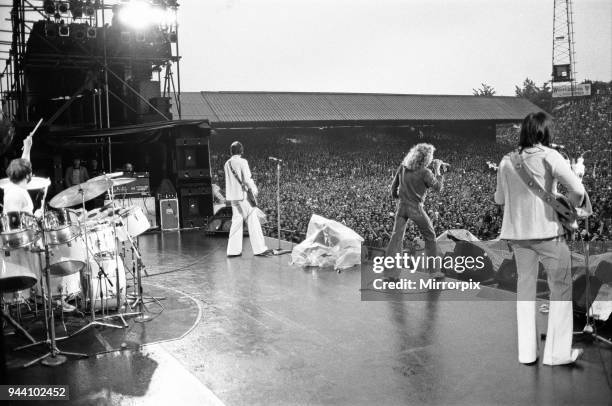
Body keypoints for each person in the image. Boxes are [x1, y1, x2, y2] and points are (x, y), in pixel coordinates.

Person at [494, 112, 586, 366]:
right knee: (561, 288)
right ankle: (557, 354)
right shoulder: (550, 156)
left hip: (518, 237)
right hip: (549, 235)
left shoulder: (506, 161)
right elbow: (577, 190)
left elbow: (499, 200)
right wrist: (572, 208)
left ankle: (527, 353)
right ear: (544, 133)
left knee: (525, 290)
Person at [386, 143, 446, 279]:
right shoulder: (425, 172)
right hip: (416, 208)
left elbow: (393, 188)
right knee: (430, 236)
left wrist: (400, 198)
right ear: (426, 158)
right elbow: (438, 188)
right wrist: (438, 170)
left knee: (396, 238)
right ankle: (434, 271)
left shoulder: (403, 167)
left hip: (401, 207)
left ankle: (391, 273)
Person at [224, 141, 271, 257]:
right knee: (253, 220)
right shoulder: (242, 162)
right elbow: (248, 179)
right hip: (243, 197)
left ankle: (233, 250)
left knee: (236, 222)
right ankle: (259, 249)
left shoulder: (227, 163)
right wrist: (254, 190)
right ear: (241, 151)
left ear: (231, 151)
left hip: (233, 198)